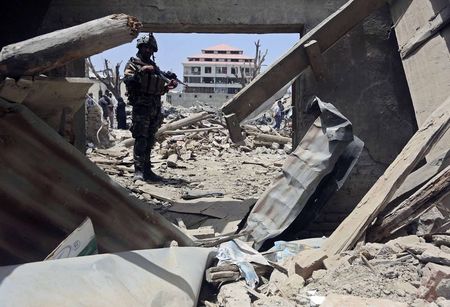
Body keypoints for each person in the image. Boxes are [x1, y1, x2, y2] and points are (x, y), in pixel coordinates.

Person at [123, 33, 178, 181]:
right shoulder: (133, 64)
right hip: (141, 107)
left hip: (154, 107)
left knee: (150, 139)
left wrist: (170, 84)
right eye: (145, 47)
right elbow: (128, 81)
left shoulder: (155, 68)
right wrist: (141, 71)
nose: (148, 50)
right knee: (140, 138)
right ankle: (139, 171)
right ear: (140, 47)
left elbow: (161, 85)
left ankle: (147, 170)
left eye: (150, 48)